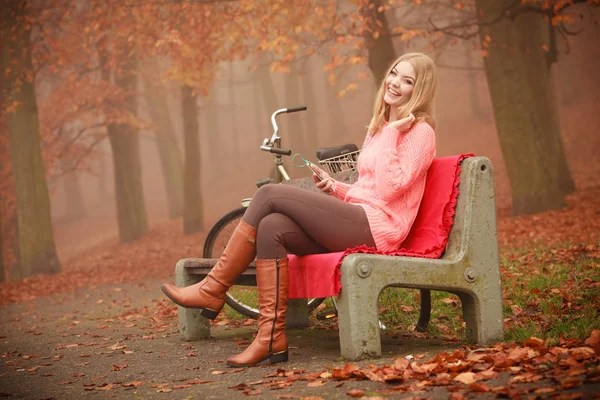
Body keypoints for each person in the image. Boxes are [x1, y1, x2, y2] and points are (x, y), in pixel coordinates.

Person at [161, 52, 438, 367]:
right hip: (362, 218)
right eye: (394, 73)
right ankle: (270, 339)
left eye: (407, 80)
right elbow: (370, 187)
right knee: (272, 227)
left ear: (420, 90)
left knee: (268, 194)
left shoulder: (420, 133)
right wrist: (335, 187)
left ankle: (213, 288)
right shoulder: (380, 127)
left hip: (380, 231)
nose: (395, 83)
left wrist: (391, 134)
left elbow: (390, 191)